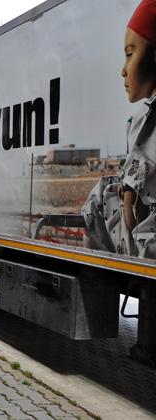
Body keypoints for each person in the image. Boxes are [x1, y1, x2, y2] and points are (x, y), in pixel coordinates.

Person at [83, 0, 156, 258]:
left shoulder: (149, 119)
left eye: (129, 53)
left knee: (99, 195)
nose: (123, 71)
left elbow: (131, 213)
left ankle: (94, 274)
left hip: (144, 252)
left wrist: (126, 198)